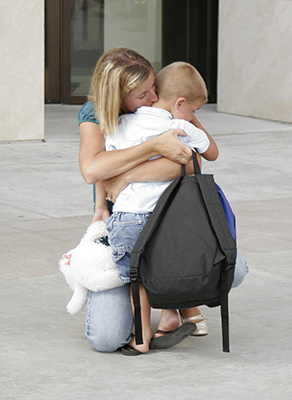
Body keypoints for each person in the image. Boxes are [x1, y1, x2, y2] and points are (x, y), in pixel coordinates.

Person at [78, 47, 208, 352]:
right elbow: (93, 169)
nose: (152, 99)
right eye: (143, 94)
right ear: (116, 99)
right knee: (107, 338)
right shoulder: (96, 115)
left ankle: (174, 305)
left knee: (230, 267)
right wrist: (154, 146)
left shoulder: (162, 109)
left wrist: (127, 175)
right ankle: (171, 302)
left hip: (167, 219)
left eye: (154, 88)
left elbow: (192, 162)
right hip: (125, 221)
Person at [105, 61, 219, 355]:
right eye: (193, 109)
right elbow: (212, 153)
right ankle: (175, 313)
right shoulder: (178, 125)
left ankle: (141, 338)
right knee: (164, 269)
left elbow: (108, 164)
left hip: (128, 218)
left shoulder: (119, 123)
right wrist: (190, 121)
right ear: (181, 103)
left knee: (136, 280)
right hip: (166, 220)